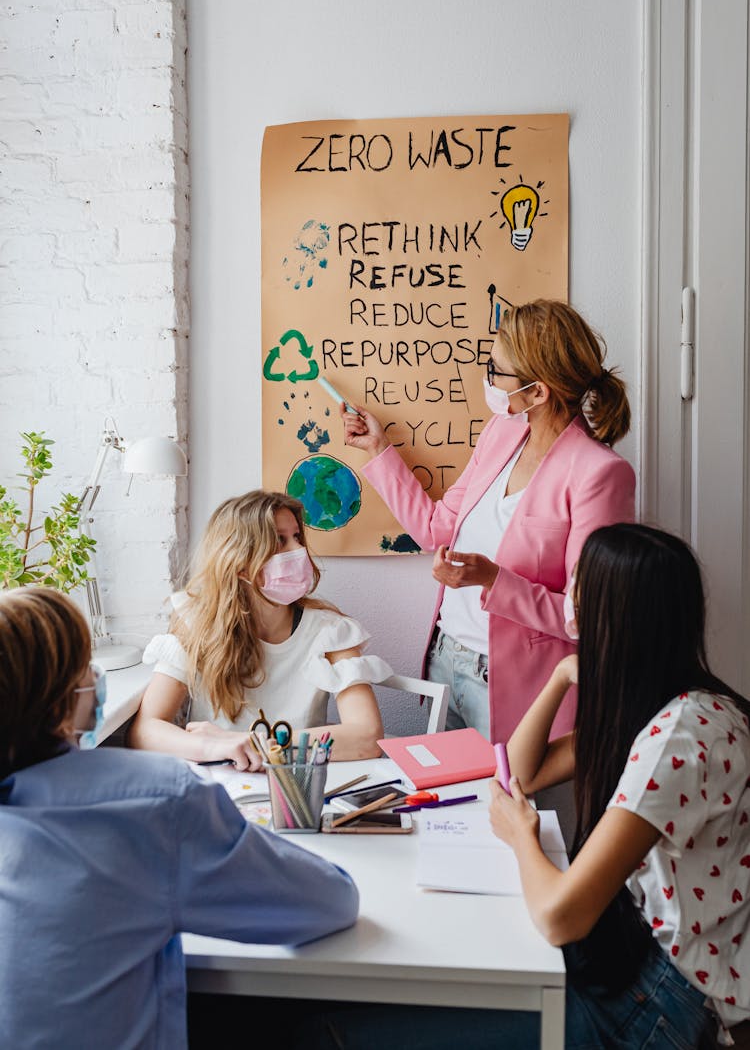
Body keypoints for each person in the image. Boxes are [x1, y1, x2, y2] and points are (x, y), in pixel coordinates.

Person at [0, 586, 359, 1050]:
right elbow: (330, 901)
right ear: (62, 697)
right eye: (83, 666)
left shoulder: (323, 626)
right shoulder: (155, 802)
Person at [487, 523, 750, 1047]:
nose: (570, 600)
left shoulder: (679, 735)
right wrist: (563, 673)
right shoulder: (670, 703)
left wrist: (522, 835)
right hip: (653, 974)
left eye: (577, 587)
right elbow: (520, 773)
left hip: (669, 1001)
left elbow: (560, 917)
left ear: (607, 615)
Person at [342, 299, 635, 743]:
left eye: (497, 370)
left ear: (538, 392)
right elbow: (436, 529)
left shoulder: (600, 473)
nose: (487, 379)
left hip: (511, 684)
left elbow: (588, 616)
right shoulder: (503, 432)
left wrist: (494, 580)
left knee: (502, 810)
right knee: (439, 811)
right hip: (446, 664)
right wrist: (377, 450)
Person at [128, 490, 388, 768]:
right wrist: (215, 746)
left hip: (296, 788)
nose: (298, 551)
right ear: (238, 562)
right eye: (279, 540)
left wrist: (256, 744)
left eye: (297, 537)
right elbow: (143, 733)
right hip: (218, 787)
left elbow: (367, 737)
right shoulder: (196, 623)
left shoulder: (332, 631)